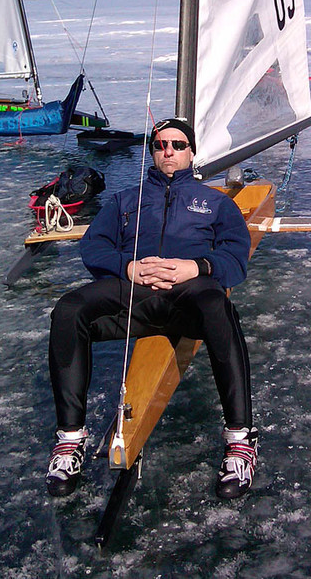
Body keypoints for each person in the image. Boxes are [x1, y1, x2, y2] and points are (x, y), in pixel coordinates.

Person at [45, 117, 258, 500]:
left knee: (218, 307)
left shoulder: (216, 203)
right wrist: (128, 266)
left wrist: (196, 268)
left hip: (187, 298)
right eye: (160, 145)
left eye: (177, 145)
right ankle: (70, 441)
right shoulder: (126, 200)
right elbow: (94, 247)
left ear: (191, 152)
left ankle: (240, 441)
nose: (168, 152)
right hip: (135, 295)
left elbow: (235, 257)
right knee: (68, 309)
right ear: (153, 152)